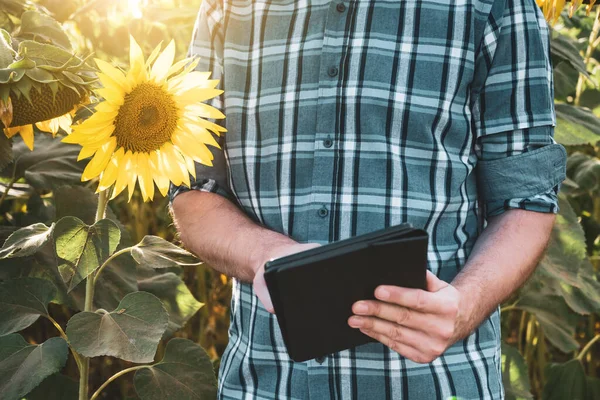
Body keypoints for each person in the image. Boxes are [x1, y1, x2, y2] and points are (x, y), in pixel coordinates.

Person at [169, 0, 567, 398]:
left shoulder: (494, 6)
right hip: (265, 384)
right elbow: (195, 191)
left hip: (435, 384)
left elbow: (525, 203)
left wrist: (463, 306)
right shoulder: (227, 8)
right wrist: (264, 254)